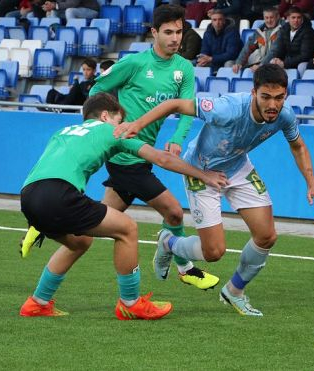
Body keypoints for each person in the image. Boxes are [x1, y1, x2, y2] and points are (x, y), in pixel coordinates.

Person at [114, 64, 314, 317]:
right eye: (266, 97)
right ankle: (169, 242)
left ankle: (234, 291)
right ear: (253, 93)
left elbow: (298, 146)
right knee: (213, 252)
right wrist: (137, 124)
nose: (273, 104)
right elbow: (175, 104)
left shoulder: (285, 116)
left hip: (237, 167)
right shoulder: (226, 109)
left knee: (267, 236)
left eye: (279, 98)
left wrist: (312, 184)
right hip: (201, 169)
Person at [18, 93, 228, 319]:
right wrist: (204, 176)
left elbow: (49, 169)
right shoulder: (111, 131)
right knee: (128, 229)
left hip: (29, 196)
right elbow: (162, 159)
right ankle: (131, 303)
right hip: (58, 194)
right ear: (105, 116)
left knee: (79, 241)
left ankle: (38, 303)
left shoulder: (63, 132)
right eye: (119, 121)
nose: (123, 126)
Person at [87, 4, 221, 290]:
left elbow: (187, 109)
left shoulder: (184, 68)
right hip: (125, 154)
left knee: (95, 222)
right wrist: (109, 124)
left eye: (179, 32)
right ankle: (184, 267)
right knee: (173, 212)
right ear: (154, 33)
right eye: (169, 32)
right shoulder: (134, 64)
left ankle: (52, 222)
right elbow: (96, 91)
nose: (175, 38)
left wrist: (177, 139)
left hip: (142, 156)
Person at [264, 6, 314, 77]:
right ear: (288, 18)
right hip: (288, 61)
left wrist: (285, 63)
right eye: (293, 18)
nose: (296, 20)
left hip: (302, 63)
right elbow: (278, 49)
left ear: (302, 19)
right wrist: (276, 59)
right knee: (272, 62)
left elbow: (305, 56)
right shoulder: (284, 29)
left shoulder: (308, 32)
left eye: (298, 17)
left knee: (301, 66)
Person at [232, 7, 282, 74]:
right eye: (266, 18)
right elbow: (248, 47)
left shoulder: (283, 29)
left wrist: (261, 65)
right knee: (242, 70)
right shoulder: (259, 31)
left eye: (271, 17)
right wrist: (239, 63)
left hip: (278, 64)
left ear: (277, 17)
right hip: (264, 63)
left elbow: (274, 51)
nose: (269, 20)